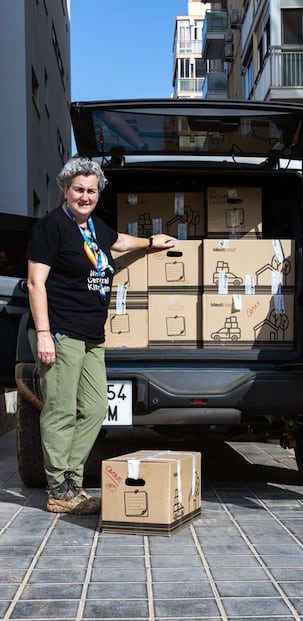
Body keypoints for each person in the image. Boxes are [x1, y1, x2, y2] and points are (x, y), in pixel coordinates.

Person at [26, 157, 176, 515]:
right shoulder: (51, 228)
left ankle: (70, 481)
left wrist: (152, 241)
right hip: (62, 332)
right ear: (65, 189)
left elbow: (119, 241)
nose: (85, 196)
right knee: (60, 410)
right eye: (78, 189)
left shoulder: (93, 228)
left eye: (91, 190)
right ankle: (59, 487)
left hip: (93, 335)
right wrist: (44, 335)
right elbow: (36, 283)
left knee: (94, 408)